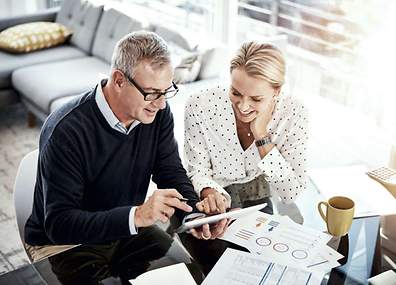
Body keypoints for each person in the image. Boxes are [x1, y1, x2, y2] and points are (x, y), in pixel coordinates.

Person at [24, 31, 227, 264]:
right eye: (152, 94)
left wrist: (195, 216)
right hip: (65, 243)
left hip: (127, 228)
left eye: (167, 91)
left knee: (190, 272)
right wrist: (137, 215)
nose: (161, 104)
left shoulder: (157, 114)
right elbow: (59, 225)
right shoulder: (66, 130)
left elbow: (170, 172)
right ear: (119, 80)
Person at [184, 41, 308, 213]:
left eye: (256, 99)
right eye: (235, 93)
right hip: (210, 191)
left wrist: (261, 135)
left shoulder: (293, 113)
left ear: (277, 91)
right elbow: (197, 170)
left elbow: (290, 193)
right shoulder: (200, 105)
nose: (243, 107)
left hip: (258, 192)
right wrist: (211, 194)